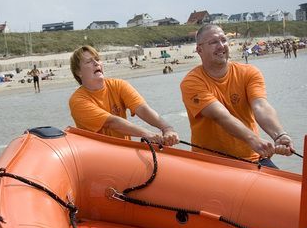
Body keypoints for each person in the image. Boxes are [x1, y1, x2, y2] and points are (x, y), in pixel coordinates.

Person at [180, 24, 294, 167]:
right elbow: (220, 116)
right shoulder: (191, 82)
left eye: (224, 40)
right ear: (199, 50)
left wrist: (279, 135)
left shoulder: (249, 72)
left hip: (253, 157)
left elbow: (260, 106)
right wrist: (253, 139)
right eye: (214, 42)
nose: (221, 46)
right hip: (211, 163)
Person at [69, 45, 179, 146]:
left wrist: (167, 128)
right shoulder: (77, 101)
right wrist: (147, 134)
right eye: (89, 61)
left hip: (125, 153)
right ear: (78, 72)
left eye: (97, 59)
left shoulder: (118, 85)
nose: (96, 63)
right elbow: (111, 122)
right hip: (99, 156)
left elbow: (142, 109)